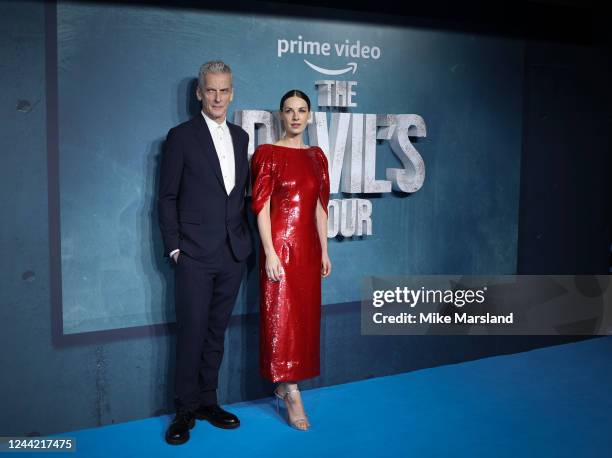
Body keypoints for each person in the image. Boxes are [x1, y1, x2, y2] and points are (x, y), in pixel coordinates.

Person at [158, 61, 251, 445]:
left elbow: (239, 196)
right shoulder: (180, 137)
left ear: (232, 93)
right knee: (192, 333)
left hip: (233, 253)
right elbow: (166, 197)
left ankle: (208, 401)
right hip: (194, 254)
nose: (217, 97)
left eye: (223, 90)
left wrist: (245, 247)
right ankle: (184, 409)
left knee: (216, 333)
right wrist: (176, 248)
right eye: (210, 90)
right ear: (199, 93)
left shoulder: (242, 136)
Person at [250, 90, 331, 431]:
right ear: (280, 116)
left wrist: (325, 250)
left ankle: (287, 385)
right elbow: (261, 206)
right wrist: (269, 251)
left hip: (309, 250)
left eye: (301, 111)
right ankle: (292, 392)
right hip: (280, 248)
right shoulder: (268, 154)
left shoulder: (317, 156)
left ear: (309, 115)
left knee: (304, 319)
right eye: (289, 111)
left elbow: (319, 208)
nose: (296, 116)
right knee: (280, 319)